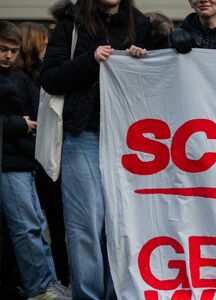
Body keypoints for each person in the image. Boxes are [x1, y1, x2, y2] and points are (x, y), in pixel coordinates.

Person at [40, 0, 156, 298]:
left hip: (128, 140)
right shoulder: (71, 22)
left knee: (122, 222)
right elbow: (50, 79)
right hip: (83, 135)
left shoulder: (140, 24)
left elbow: (154, 85)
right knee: (85, 226)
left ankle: (116, 292)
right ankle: (90, 294)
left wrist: (139, 61)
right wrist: (90, 60)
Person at [0, 20, 69, 300]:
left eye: (12, 51)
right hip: (11, 163)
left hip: (21, 161)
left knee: (37, 226)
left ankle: (47, 284)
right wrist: (20, 125)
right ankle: (41, 288)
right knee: (28, 227)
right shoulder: (16, 79)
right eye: (3, 49)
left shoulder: (15, 78)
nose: (8, 55)